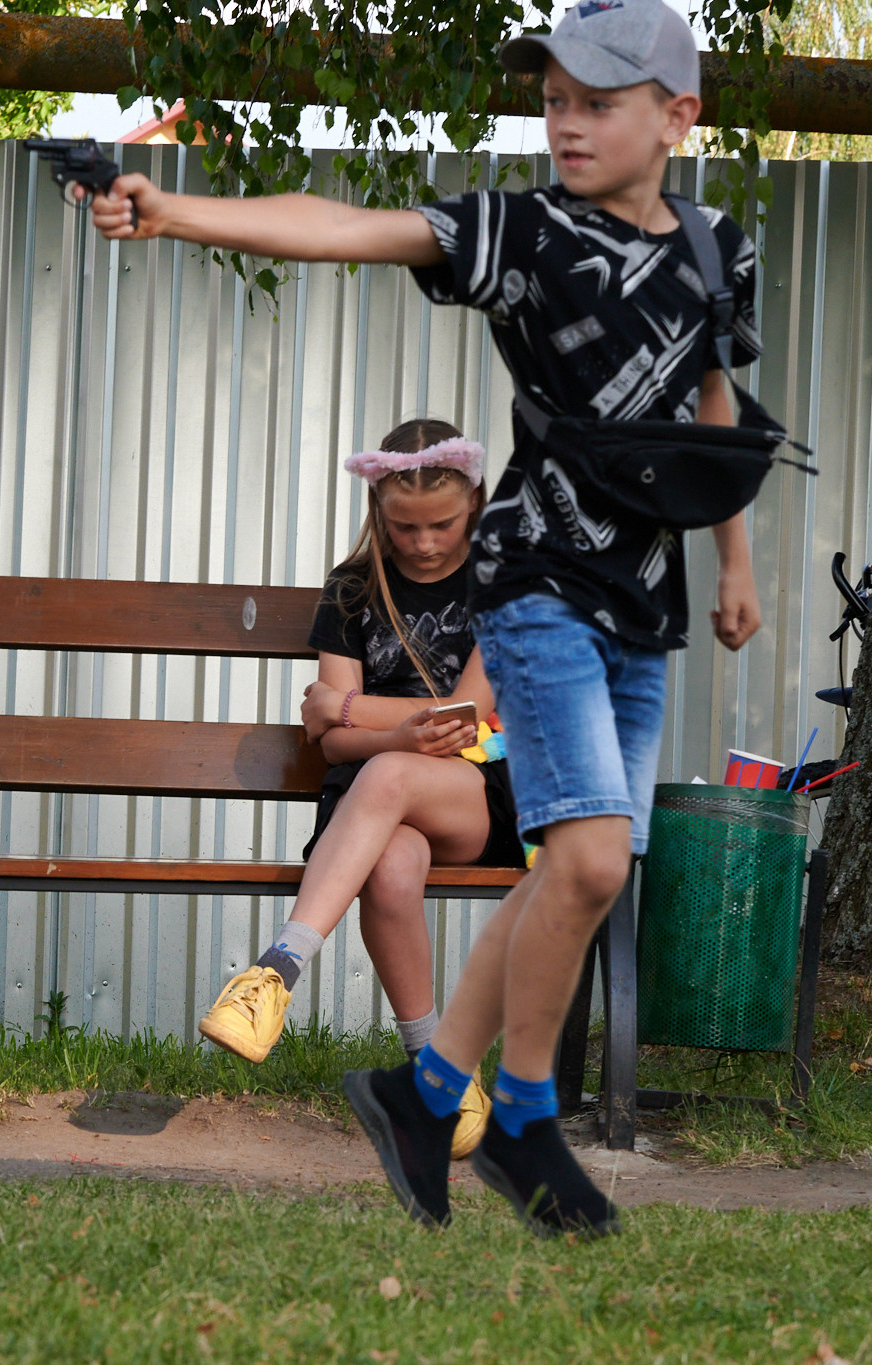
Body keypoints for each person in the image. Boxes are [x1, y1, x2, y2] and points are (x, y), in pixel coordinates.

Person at [88, 0, 767, 1236]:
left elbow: (711, 405)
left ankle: (428, 1093)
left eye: (596, 101)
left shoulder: (718, 250)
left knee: (580, 871)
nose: (565, 122)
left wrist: (733, 561)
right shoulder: (522, 231)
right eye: (552, 99)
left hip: (642, 604)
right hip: (536, 584)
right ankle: (514, 1119)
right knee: (589, 858)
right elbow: (345, 228)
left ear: (677, 115)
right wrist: (174, 210)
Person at [195, 420, 522, 1155]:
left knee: (391, 773)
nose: (425, 542)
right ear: (378, 510)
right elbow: (335, 745)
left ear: (473, 504)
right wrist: (394, 733)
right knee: (393, 862)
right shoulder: (351, 590)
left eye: (442, 524)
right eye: (405, 527)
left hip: (474, 791)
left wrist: (344, 706)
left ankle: (277, 969)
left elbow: (468, 715)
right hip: (374, 796)